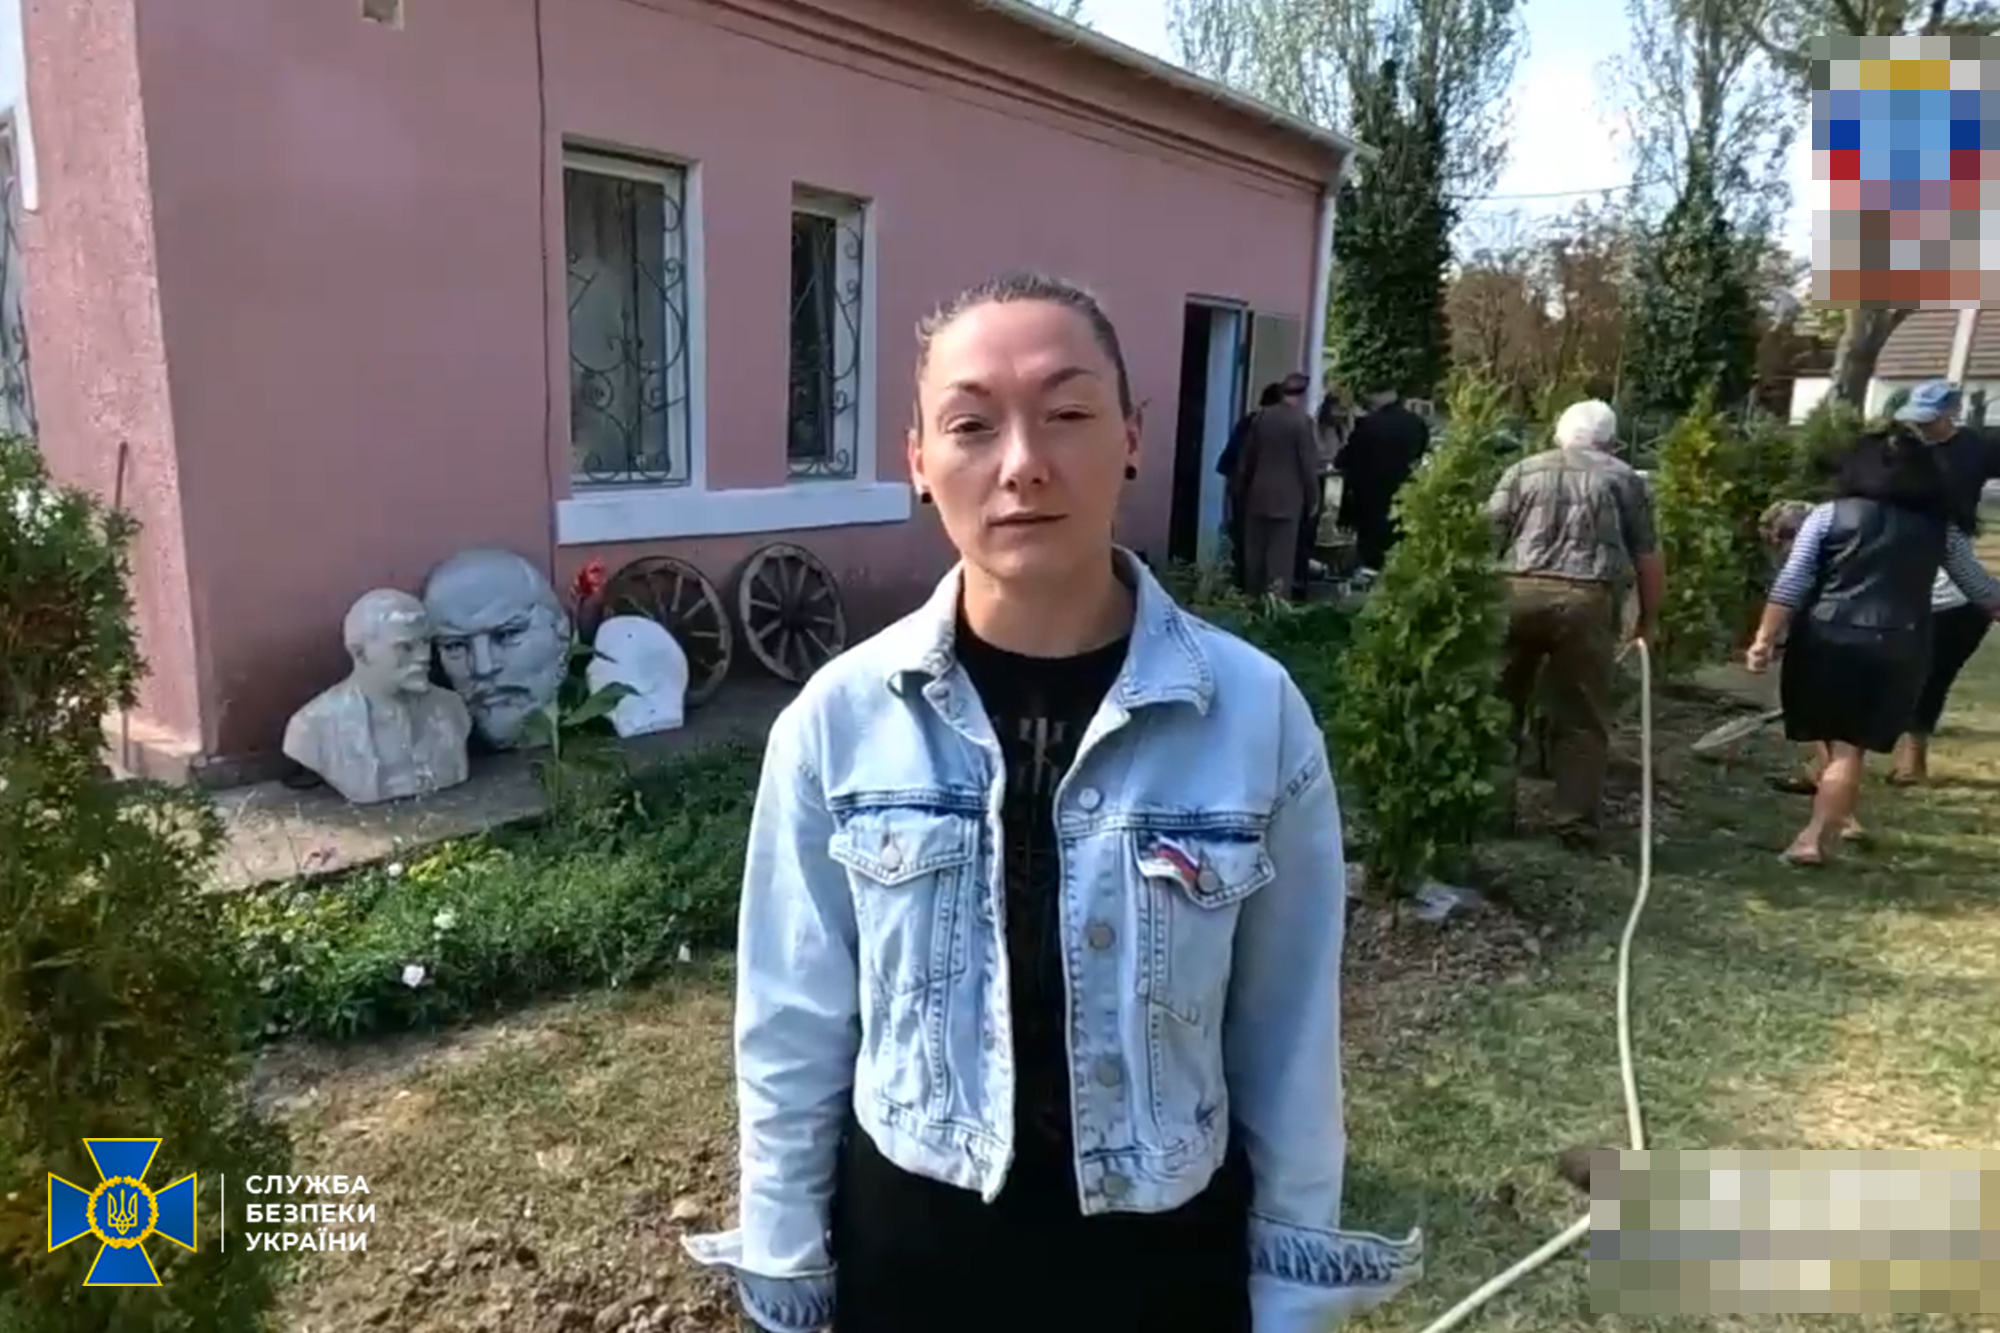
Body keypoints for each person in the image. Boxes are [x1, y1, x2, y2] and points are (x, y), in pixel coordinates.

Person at [683, 271, 1419, 1333]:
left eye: (1067, 413)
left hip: (1163, 1274)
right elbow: (790, 1032)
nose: (1022, 462)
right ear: (919, 462)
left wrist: (1291, 1297)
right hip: (912, 1269)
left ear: (1131, 436)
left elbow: (1288, 1039)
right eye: (971, 424)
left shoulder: (1251, 716)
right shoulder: (837, 724)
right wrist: (790, 1276)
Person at [1745, 426, 2000, 866]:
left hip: (1825, 638)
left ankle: (1813, 837)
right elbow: (1980, 589)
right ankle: (1835, 821)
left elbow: (1791, 583)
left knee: (1835, 739)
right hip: (1898, 643)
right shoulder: (1941, 528)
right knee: (1850, 746)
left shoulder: (1828, 516)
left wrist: (1764, 639)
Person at [1486, 399, 1665, 849]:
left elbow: (1487, 535)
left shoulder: (1522, 470)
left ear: (1558, 434)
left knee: (1500, 703)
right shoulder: (1624, 479)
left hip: (1517, 591)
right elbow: (1647, 555)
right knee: (1582, 715)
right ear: (1611, 442)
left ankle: (1490, 809)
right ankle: (1574, 823)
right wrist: (1648, 618)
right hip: (1586, 599)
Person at [1885, 380, 2000, 784]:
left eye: (1930, 419)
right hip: (1903, 552)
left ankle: (1912, 759)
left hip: (1950, 553)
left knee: (1934, 669)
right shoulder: (1903, 446)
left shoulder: (1978, 448)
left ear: (1951, 413)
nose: (1922, 426)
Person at [1230, 371, 1321, 597]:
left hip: (1257, 495)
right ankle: (1274, 605)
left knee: (1255, 557)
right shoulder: (1302, 422)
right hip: (1288, 500)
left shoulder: (1261, 418)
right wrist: (1313, 499)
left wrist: (1240, 490)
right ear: (1302, 395)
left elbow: (1246, 460)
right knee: (1280, 560)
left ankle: (1252, 601)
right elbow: (1308, 466)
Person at [1335, 388, 1429, 572]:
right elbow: (1420, 455)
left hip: (1370, 495)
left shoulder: (1368, 425)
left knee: (1371, 545)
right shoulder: (1416, 424)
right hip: (1404, 493)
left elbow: (1346, 460)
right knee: (1398, 543)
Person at [1216, 382, 1283, 592]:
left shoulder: (1248, 423)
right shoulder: (1272, 427)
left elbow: (1228, 461)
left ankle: (1244, 587)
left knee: (1244, 544)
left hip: (1244, 492)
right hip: (1260, 495)